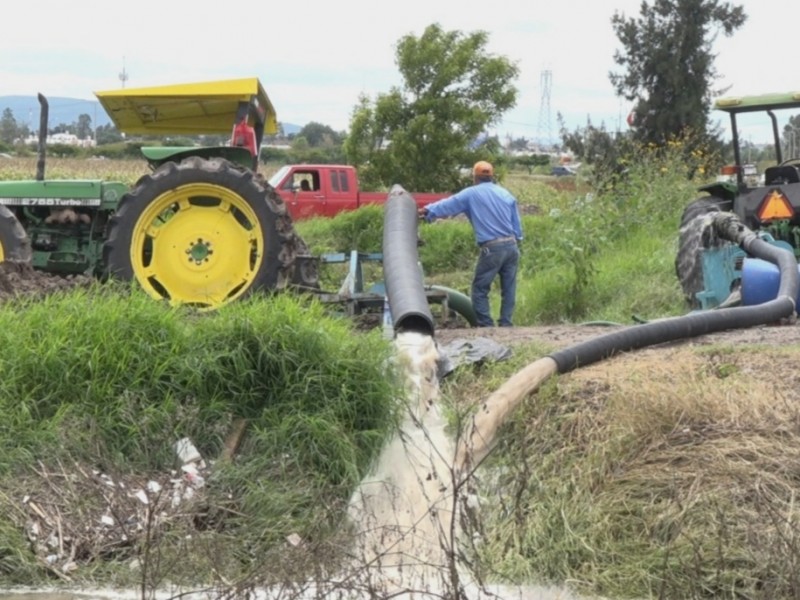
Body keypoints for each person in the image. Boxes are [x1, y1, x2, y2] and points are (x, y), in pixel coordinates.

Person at [419, 161, 522, 327]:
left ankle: (485, 326)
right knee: (509, 288)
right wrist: (516, 241)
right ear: (491, 176)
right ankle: (506, 324)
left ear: (474, 177)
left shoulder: (471, 194)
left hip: (492, 248)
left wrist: (427, 211)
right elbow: (517, 225)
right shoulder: (505, 194)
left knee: (480, 289)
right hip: (512, 246)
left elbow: (449, 204)